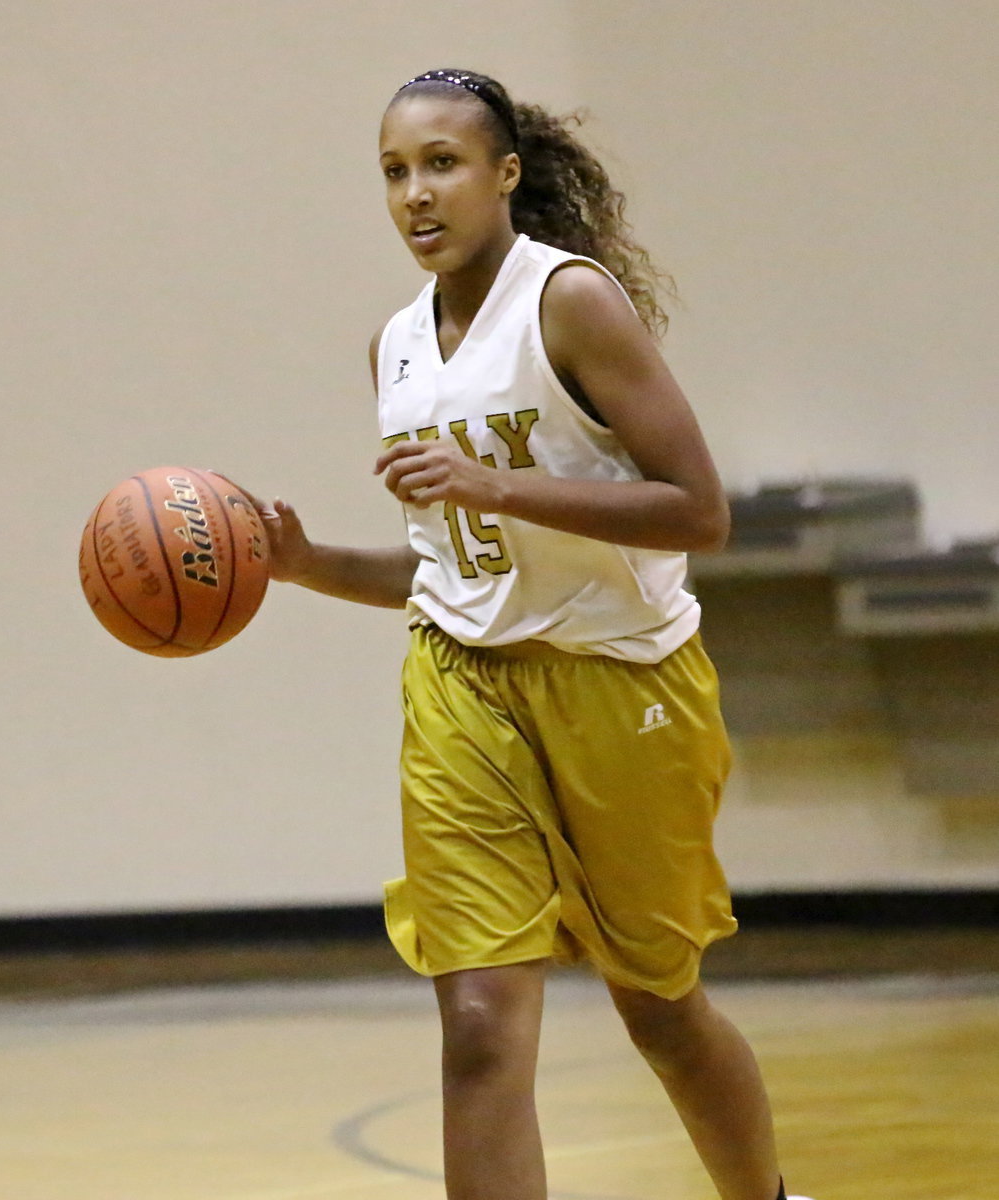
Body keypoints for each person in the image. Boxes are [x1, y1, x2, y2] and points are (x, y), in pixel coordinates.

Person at [256, 67, 812, 1200]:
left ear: (504, 176)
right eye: (393, 173)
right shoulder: (395, 349)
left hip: (621, 682)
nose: (415, 194)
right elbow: (450, 570)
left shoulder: (568, 302)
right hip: (462, 689)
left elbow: (697, 512)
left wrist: (494, 485)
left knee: (657, 1007)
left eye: (441, 165)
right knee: (477, 1023)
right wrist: (307, 564)